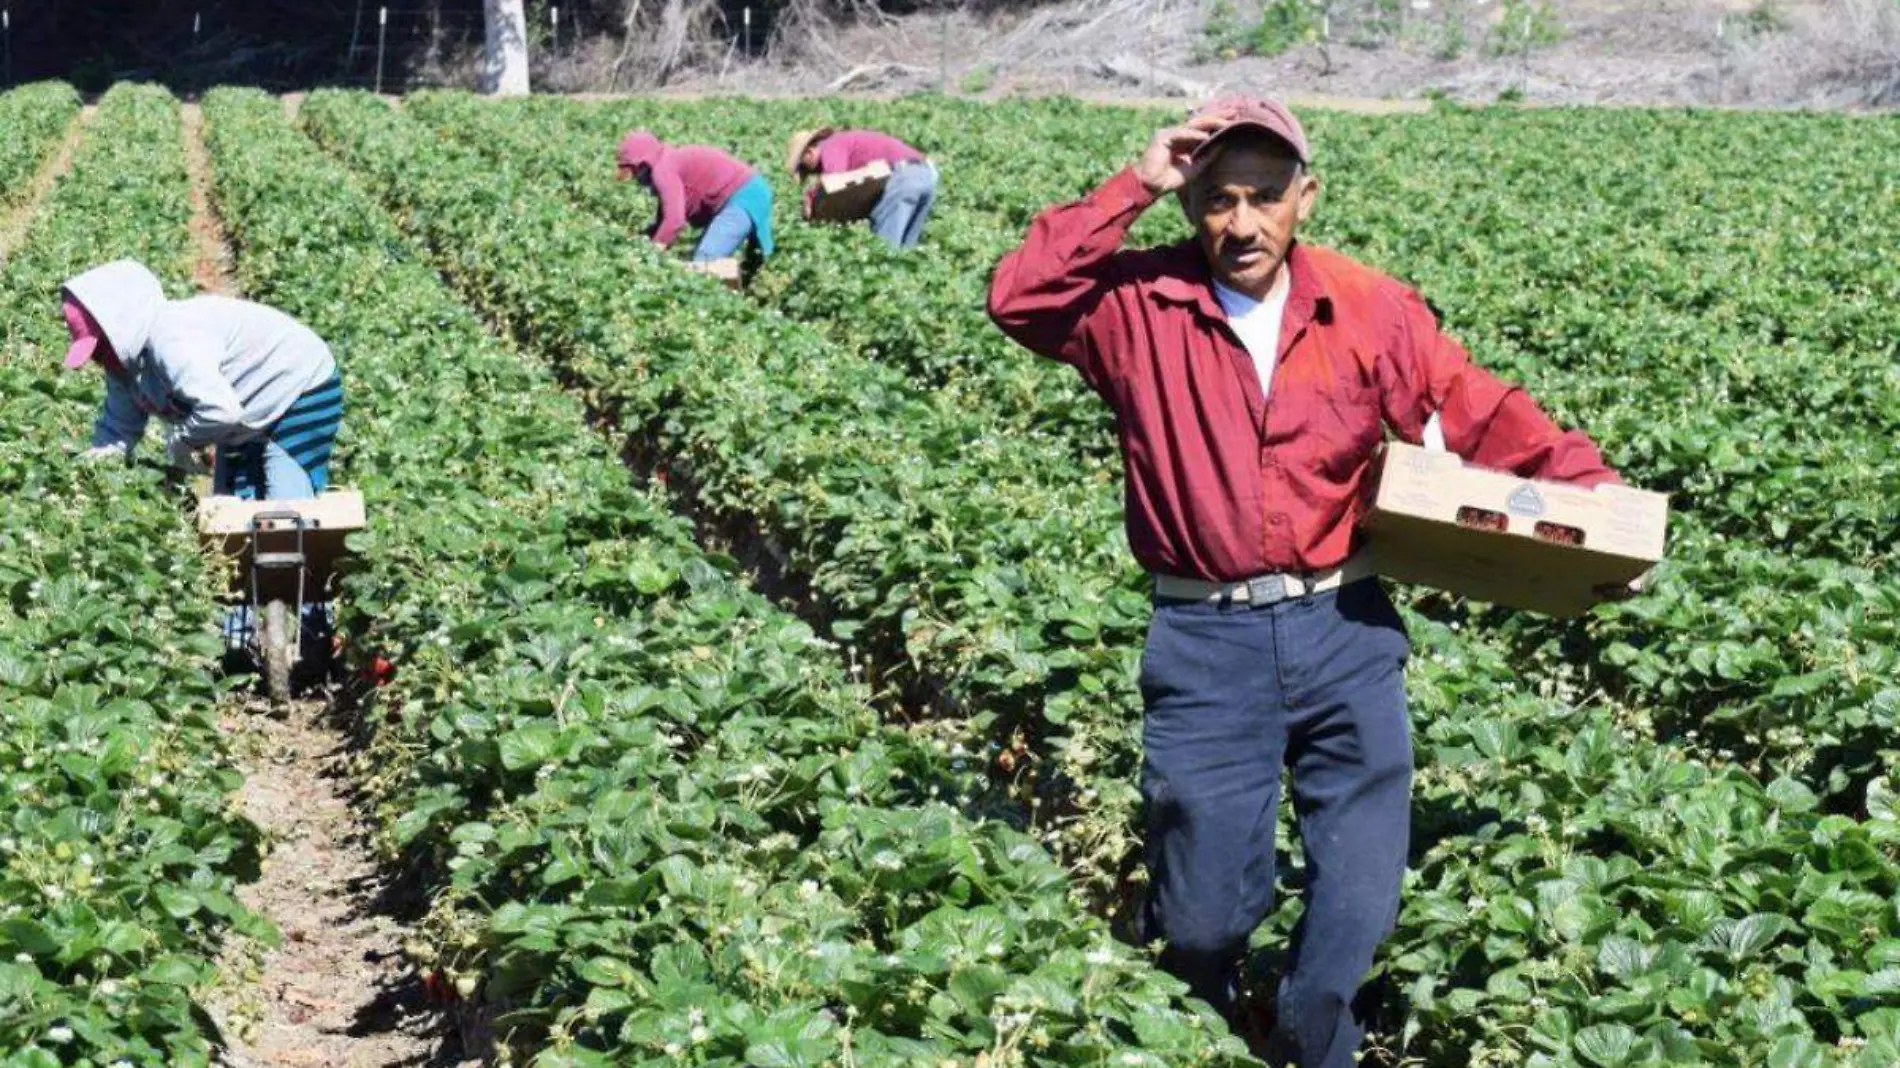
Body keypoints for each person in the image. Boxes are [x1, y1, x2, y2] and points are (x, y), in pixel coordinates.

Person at [987, 95, 1627, 1066]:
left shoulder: (1369, 307)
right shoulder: (1134, 307)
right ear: (1187, 202)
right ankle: (1196, 1015)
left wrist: (1595, 510)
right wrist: (1132, 183)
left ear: (1304, 198)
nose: (1240, 224)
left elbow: (1479, 409)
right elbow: (1019, 298)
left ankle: (1309, 1037)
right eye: (1214, 198)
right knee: (1202, 917)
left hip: (1345, 627)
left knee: (1356, 901)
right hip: (1207, 642)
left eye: (1263, 197)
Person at [64, 258, 344, 665]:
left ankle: (310, 638)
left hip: (297, 390)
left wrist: (180, 442)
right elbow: (118, 432)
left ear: (118, 325)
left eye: (98, 346)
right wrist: (84, 473)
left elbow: (220, 411)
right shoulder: (123, 368)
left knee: (286, 515)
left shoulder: (172, 339)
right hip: (242, 414)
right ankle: (238, 642)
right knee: (229, 519)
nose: (97, 358)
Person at [616, 130, 775, 264]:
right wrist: (643, 239)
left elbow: (674, 221)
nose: (637, 179)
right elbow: (664, 218)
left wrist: (652, 255)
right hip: (749, 191)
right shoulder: (667, 161)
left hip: (743, 196)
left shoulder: (663, 171)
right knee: (750, 263)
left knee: (705, 261)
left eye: (635, 172)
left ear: (643, 164)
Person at [787, 127, 938, 250]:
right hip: (927, 174)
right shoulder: (844, 142)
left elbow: (832, 183)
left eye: (803, 166)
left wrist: (811, 199)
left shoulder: (830, 147)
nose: (809, 172)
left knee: (885, 249)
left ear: (809, 152)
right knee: (906, 251)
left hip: (903, 177)